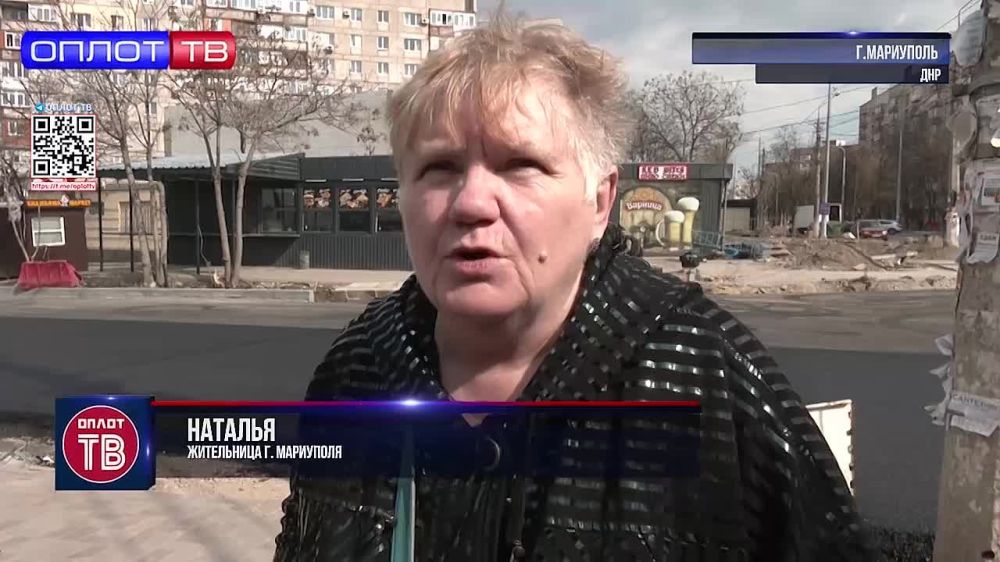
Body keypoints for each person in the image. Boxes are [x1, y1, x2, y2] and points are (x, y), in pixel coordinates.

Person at [274, 12, 873, 562]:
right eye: (439, 168)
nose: (472, 202)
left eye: (520, 165)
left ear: (600, 202)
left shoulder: (705, 373)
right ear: (402, 196)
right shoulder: (357, 369)